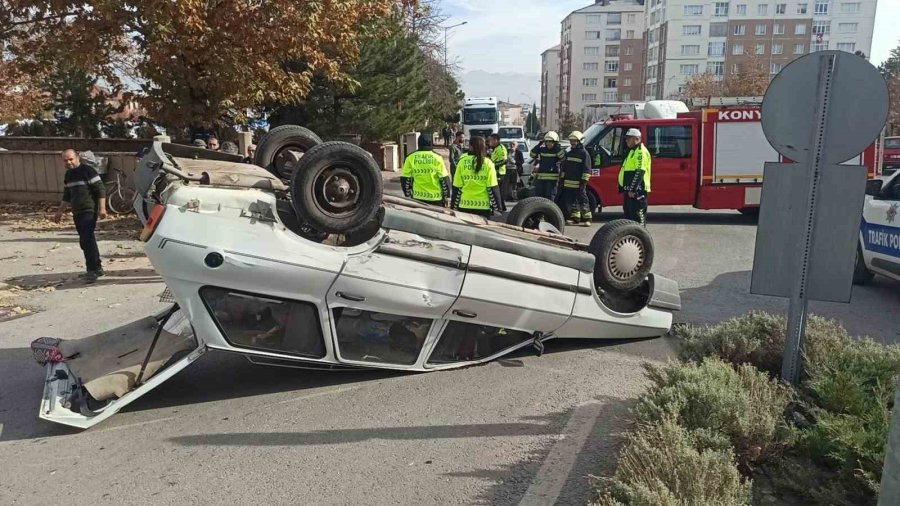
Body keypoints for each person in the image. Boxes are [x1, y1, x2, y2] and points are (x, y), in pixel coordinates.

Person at [53, 149, 108, 283]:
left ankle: (93, 270)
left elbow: (100, 189)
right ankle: (97, 267)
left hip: (89, 210)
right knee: (85, 240)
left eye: (71, 159)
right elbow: (67, 195)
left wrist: (102, 209)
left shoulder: (88, 171)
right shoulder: (69, 175)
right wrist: (60, 211)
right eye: (65, 160)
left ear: (77, 157)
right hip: (77, 212)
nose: (69, 162)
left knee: (86, 239)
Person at [452, 136, 502, 218]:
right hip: (483, 208)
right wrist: (498, 208)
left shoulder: (462, 162)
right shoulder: (488, 163)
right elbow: (493, 188)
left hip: (464, 206)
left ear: (471, 147)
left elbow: (457, 188)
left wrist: (453, 207)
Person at [401, 134, 451, 207]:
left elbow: (405, 179)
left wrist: (408, 196)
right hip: (436, 198)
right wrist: (447, 197)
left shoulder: (410, 158)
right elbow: (444, 179)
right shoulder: (437, 157)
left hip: (417, 198)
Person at [559, 131, 593, 226]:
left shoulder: (584, 154)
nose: (572, 143)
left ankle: (588, 219)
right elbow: (564, 167)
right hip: (568, 182)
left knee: (583, 200)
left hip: (579, 183)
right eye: (571, 141)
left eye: (574, 141)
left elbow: (587, 169)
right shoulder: (569, 153)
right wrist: (562, 179)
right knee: (571, 201)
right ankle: (575, 218)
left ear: (580, 141)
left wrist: (583, 182)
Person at [619, 128, 651, 226]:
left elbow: (640, 171)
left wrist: (632, 189)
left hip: (637, 192)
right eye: (626, 138)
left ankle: (641, 240)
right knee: (628, 218)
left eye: (629, 138)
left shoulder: (640, 151)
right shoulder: (632, 151)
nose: (626, 140)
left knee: (638, 218)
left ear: (636, 139)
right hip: (629, 191)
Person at [529, 131, 566, 201]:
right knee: (539, 197)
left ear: (555, 142)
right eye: (547, 141)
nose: (548, 143)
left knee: (550, 197)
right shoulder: (542, 149)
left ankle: (550, 211)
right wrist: (538, 145)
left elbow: (563, 158)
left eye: (551, 141)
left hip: (552, 179)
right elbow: (532, 154)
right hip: (541, 177)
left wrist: (557, 148)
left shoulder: (557, 150)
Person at [487, 134, 508, 211]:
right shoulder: (495, 148)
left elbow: (504, 161)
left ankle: (500, 208)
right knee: (497, 192)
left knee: (497, 192)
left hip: (500, 173)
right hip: (495, 173)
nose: (490, 142)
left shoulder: (501, 148)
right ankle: (501, 207)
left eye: (491, 140)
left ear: (495, 140)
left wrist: (493, 166)